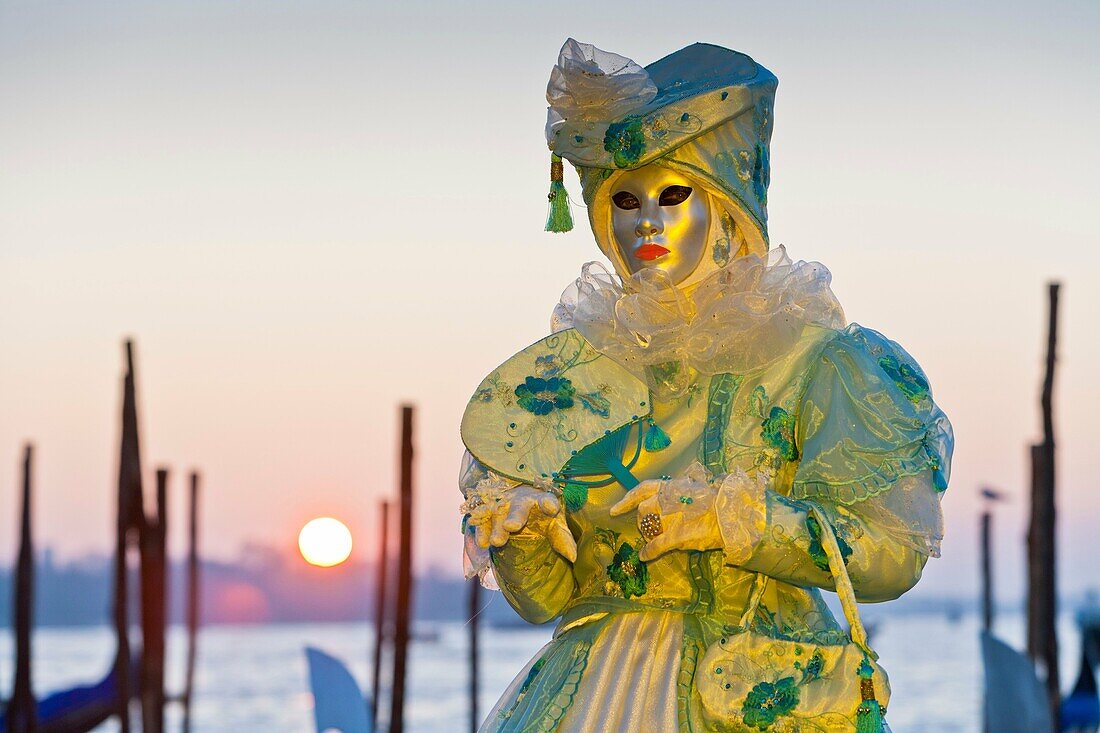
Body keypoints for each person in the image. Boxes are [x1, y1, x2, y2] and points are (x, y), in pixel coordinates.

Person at [459, 39, 953, 732]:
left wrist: (736, 520)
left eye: (673, 194)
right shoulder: (566, 379)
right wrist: (526, 537)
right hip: (589, 697)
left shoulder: (815, 361)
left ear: (725, 205)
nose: (647, 223)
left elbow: (890, 554)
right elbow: (546, 601)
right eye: (625, 201)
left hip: (752, 687)